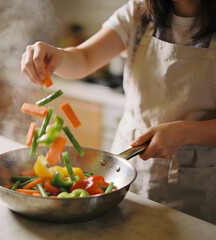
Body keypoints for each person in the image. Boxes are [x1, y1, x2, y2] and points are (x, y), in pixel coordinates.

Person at [20, 0, 216, 224]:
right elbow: (84, 58)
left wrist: (184, 132)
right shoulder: (138, 13)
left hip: (198, 184)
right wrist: (58, 56)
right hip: (128, 168)